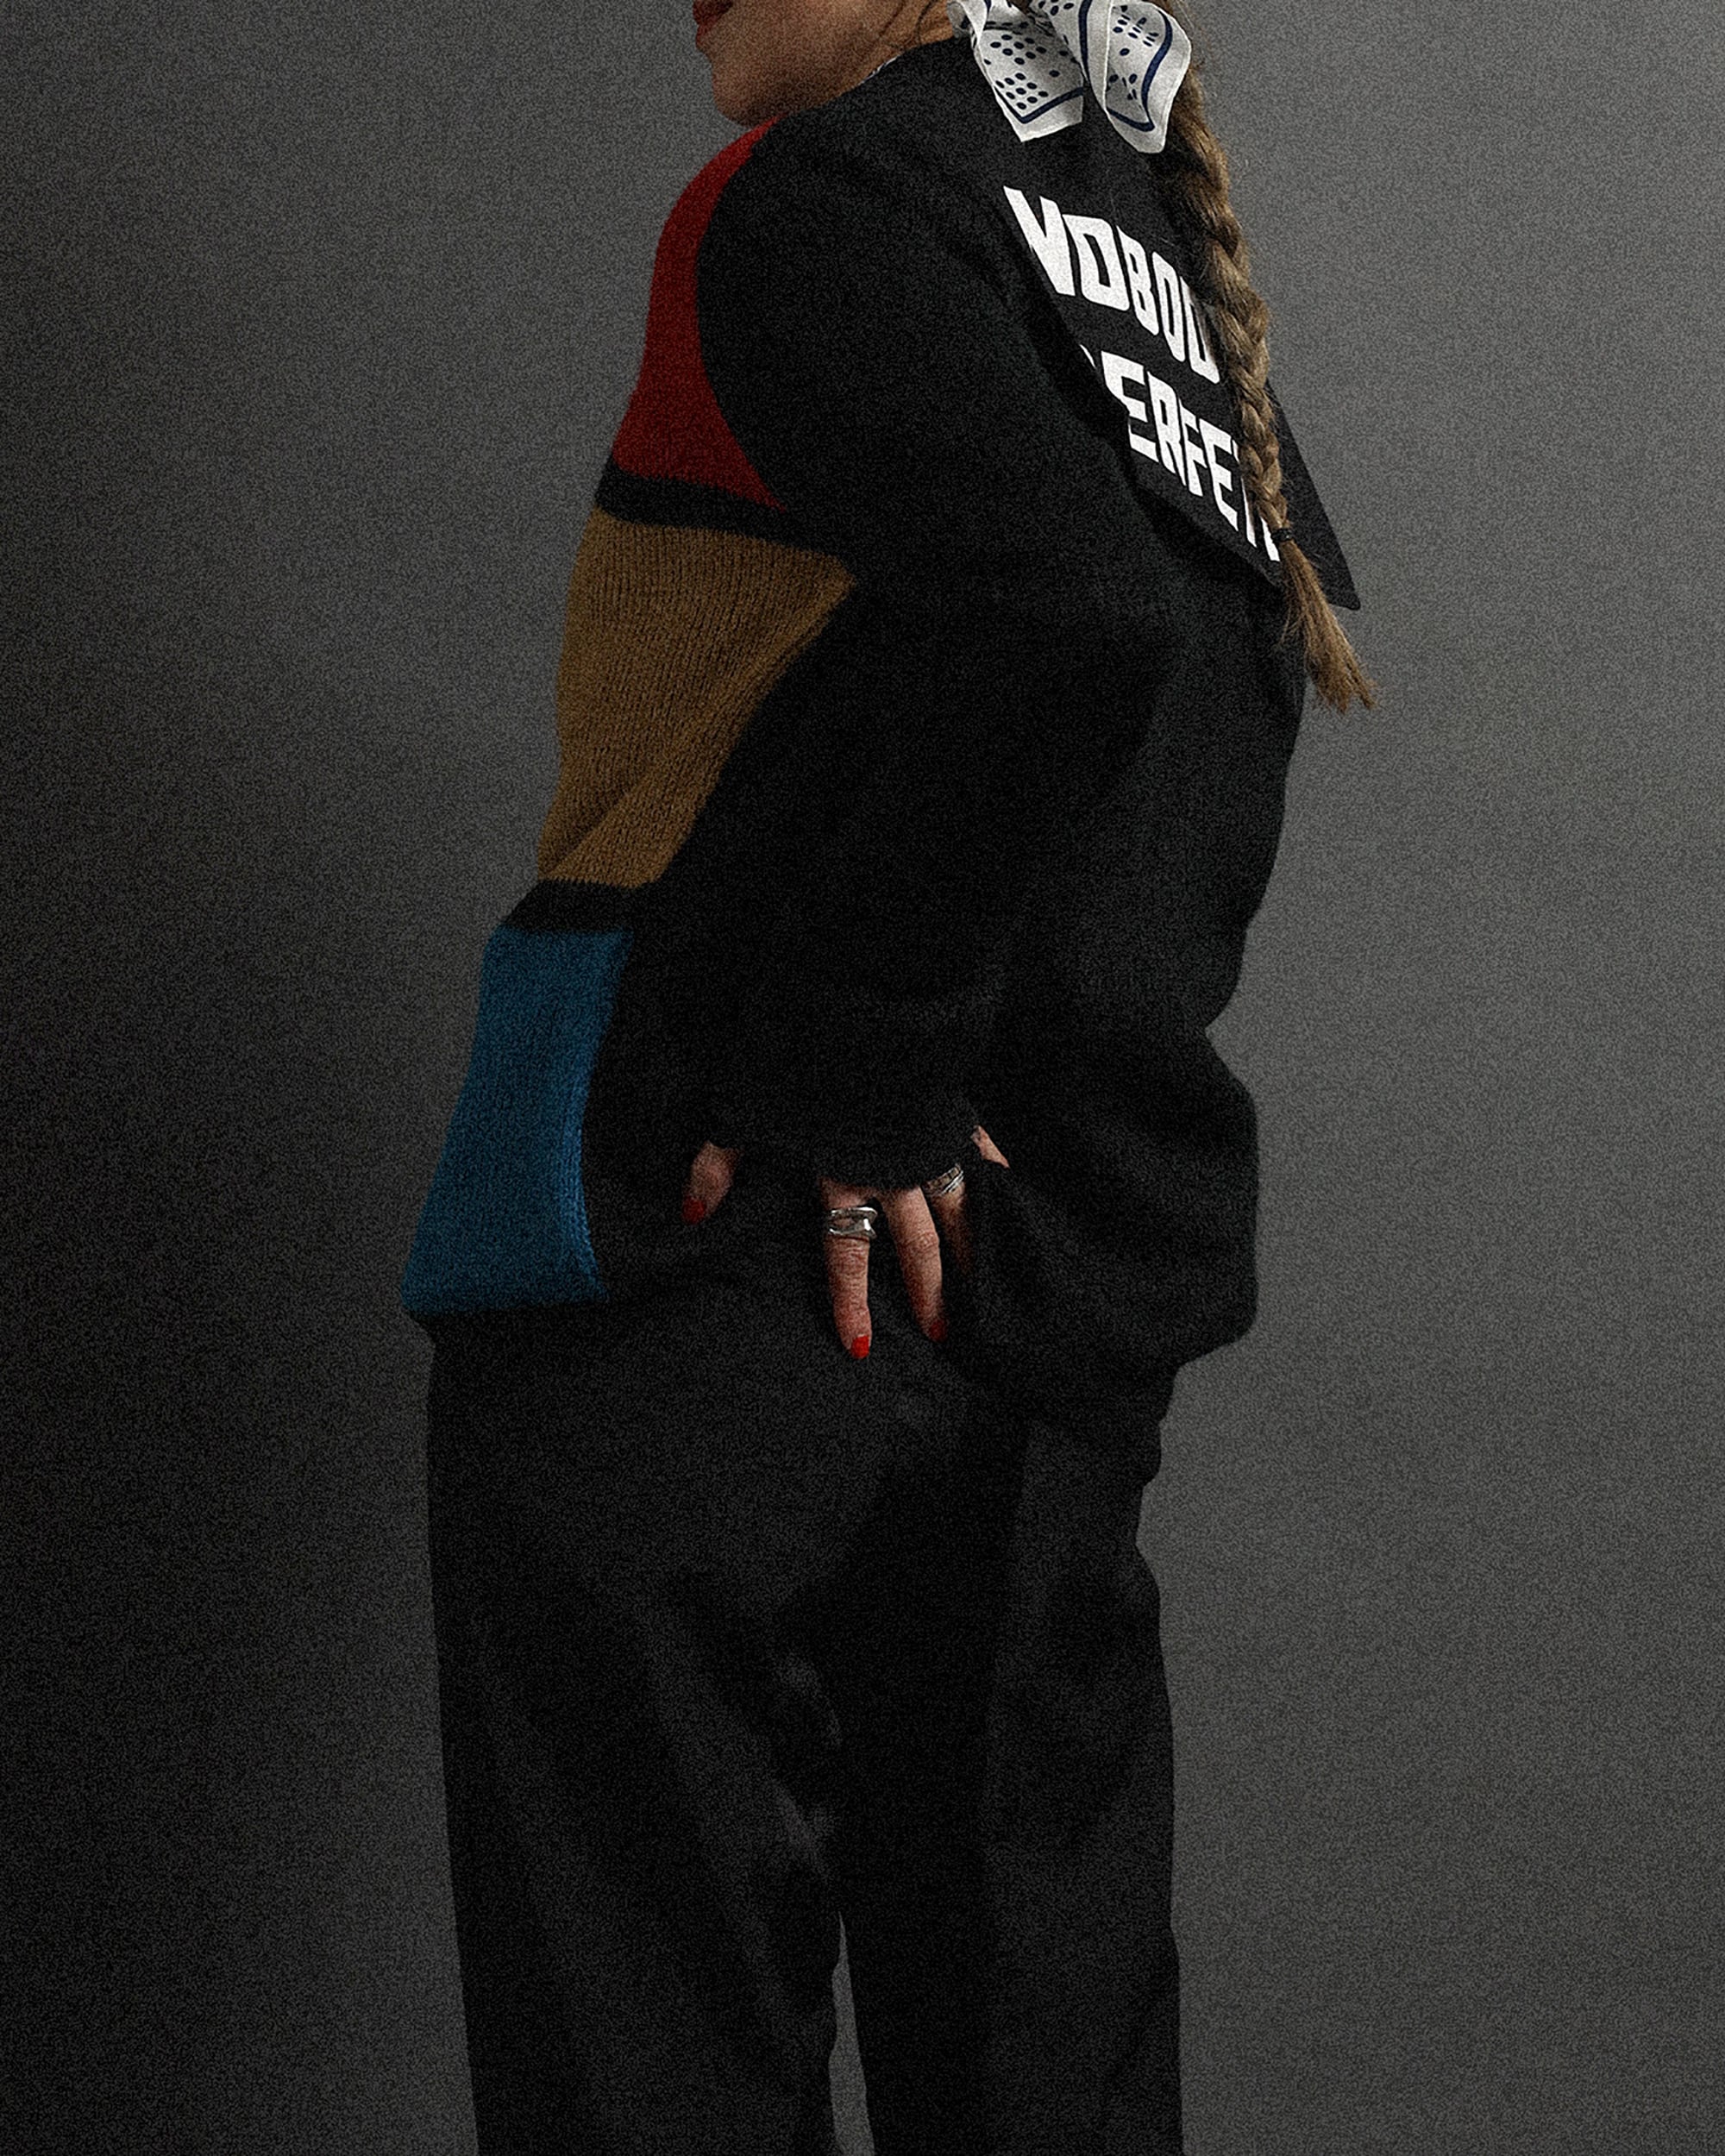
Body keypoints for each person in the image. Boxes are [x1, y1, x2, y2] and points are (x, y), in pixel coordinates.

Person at [401, 2, 1371, 2151]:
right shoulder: (1172, 288)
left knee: (647, 2064)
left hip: (699, 1269)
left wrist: (872, 1075)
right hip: (1037, 1317)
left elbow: (1067, 621)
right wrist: (994, 1102)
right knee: (1045, 2065)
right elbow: (1185, 763)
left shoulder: (816, 203)